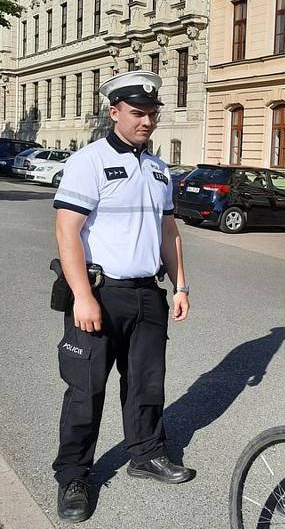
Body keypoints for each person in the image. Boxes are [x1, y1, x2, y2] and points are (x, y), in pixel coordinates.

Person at [52, 70, 193, 523]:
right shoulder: (88, 161)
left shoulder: (158, 168)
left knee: (147, 384)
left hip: (147, 295)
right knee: (85, 389)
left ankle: (147, 454)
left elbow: (169, 232)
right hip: (99, 293)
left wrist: (180, 285)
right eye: (137, 113)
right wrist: (82, 296)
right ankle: (73, 476)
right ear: (114, 112)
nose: (146, 121)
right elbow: (67, 231)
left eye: (152, 114)